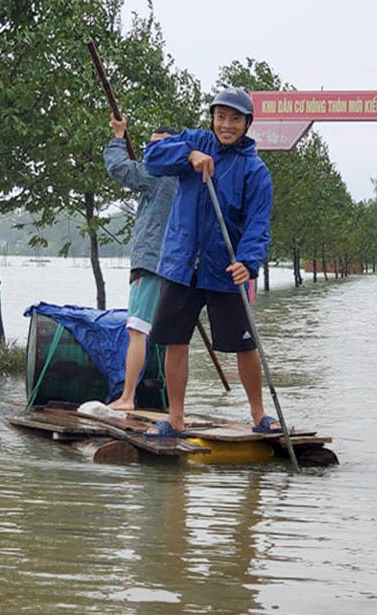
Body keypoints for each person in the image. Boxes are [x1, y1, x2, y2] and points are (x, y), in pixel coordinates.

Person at [142, 87, 281, 437]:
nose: (227, 125)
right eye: (221, 117)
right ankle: (174, 419)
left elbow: (257, 224)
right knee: (175, 340)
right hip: (181, 263)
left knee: (244, 344)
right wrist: (188, 154)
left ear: (248, 123)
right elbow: (152, 157)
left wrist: (248, 263)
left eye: (235, 118)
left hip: (226, 269)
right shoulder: (196, 142)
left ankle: (260, 414)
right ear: (212, 118)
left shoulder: (256, 171)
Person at [103, 116, 179, 411]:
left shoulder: (158, 173)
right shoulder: (184, 176)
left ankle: (127, 397)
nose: (151, 152)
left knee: (137, 330)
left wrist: (118, 137)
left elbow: (119, 168)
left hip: (150, 263)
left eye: (156, 147)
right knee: (172, 337)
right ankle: (173, 405)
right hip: (176, 266)